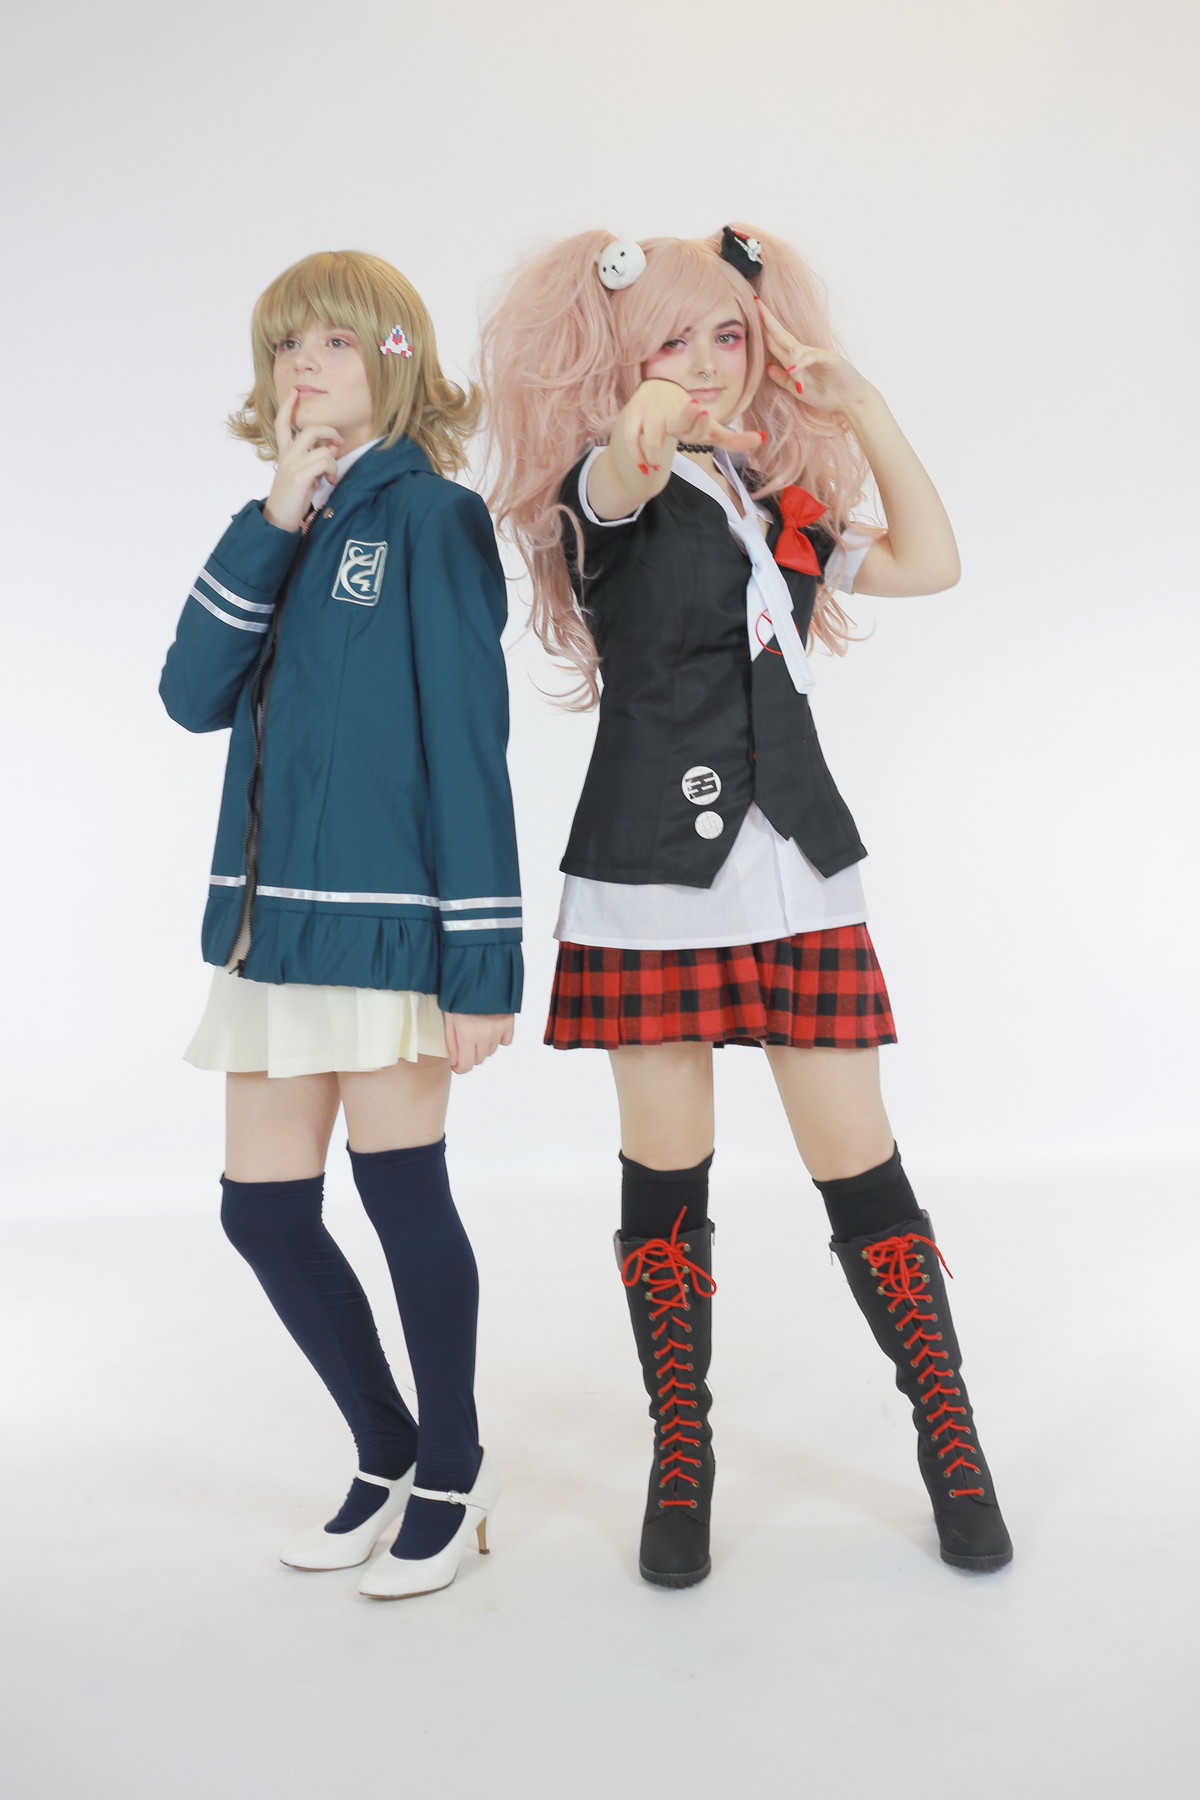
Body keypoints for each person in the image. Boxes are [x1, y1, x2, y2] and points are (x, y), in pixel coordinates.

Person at [481, 224, 1011, 1588]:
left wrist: (861, 404)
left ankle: (950, 1441)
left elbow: (933, 562)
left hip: (796, 867)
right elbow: (623, 462)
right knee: (667, 1184)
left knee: (863, 1170)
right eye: (673, 338)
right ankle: (682, 1454)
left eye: (729, 334)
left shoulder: (777, 500)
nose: (708, 362)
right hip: (651, 876)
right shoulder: (600, 493)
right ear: (618, 355)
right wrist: (650, 407)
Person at [161, 250, 521, 1600]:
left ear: (394, 359)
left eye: (331, 341)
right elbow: (190, 695)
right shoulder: (278, 523)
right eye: (283, 346)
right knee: (262, 1214)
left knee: (399, 1194)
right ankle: (387, 1449)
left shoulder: (432, 518)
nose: (302, 365)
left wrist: (482, 962)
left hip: (389, 930)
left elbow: (470, 747)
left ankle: (456, 1463)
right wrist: (272, 514)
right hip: (272, 934)